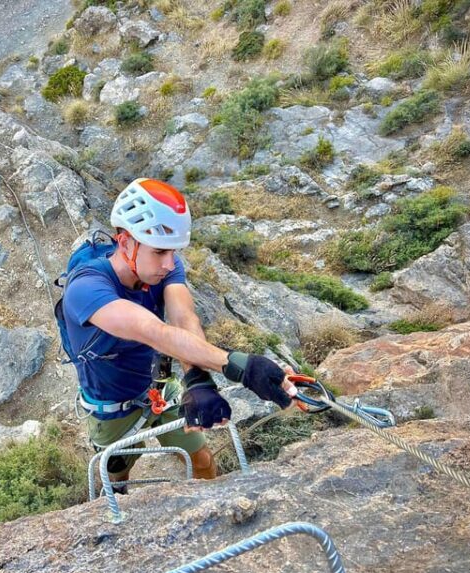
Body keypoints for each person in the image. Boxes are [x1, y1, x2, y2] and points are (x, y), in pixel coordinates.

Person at [63, 177, 298, 487]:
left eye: (173, 252)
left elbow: (183, 318)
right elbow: (154, 331)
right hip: (112, 407)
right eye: (160, 252)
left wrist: (197, 379)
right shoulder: (86, 288)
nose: (169, 264)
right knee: (117, 477)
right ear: (126, 244)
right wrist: (240, 366)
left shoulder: (164, 265)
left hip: (158, 388)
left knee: (202, 459)